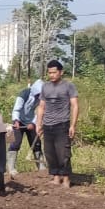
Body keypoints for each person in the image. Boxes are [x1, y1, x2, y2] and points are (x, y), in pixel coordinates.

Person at [35, 60, 79, 188]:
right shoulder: (45, 87)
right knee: (50, 152)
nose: (52, 75)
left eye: (54, 72)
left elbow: (75, 106)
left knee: (63, 153)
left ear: (61, 72)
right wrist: (38, 124)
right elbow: (41, 107)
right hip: (47, 125)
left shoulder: (68, 86)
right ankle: (55, 177)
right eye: (49, 73)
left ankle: (66, 179)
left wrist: (73, 125)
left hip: (62, 124)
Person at [8, 79, 43, 174]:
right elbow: (16, 109)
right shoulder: (24, 94)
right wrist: (16, 121)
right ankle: (11, 168)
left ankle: (41, 167)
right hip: (19, 120)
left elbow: (40, 111)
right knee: (16, 143)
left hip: (31, 121)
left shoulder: (42, 97)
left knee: (36, 143)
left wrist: (33, 123)